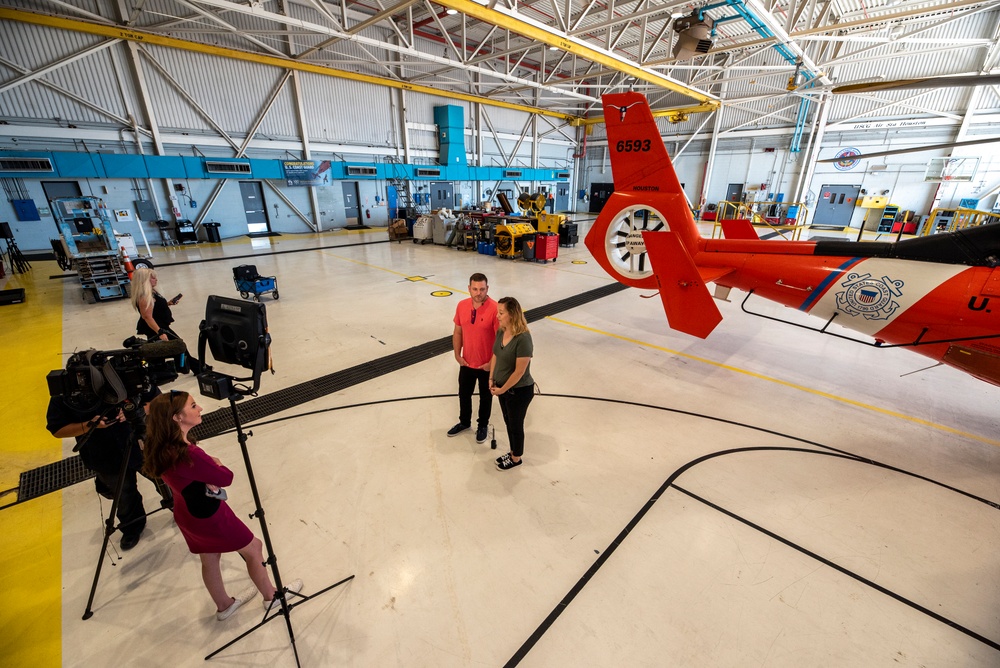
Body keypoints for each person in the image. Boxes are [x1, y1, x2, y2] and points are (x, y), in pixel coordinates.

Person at [143, 391, 301, 621]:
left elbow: (187, 476)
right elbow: (225, 477)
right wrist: (215, 463)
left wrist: (204, 472)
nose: (200, 409)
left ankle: (224, 605)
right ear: (177, 417)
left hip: (187, 513)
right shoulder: (190, 454)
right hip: (210, 516)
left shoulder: (159, 446)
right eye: (193, 406)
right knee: (254, 548)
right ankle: (272, 596)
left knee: (209, 558)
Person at [46, 389, 171, 550]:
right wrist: (89, 425)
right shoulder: (65, 392)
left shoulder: (119, 374)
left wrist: (135, 412)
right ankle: (132, 526)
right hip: (103, 455)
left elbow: (158, 400)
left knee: (166, 479)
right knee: (123, 494)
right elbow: (56, 429)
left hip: (141, 445)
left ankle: (182, 507)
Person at [448, 272, 499, 444]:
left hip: (486, 365)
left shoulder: (495, 309)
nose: (478, 293)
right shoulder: (461, 306)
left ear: (487, 289)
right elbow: (458, 331)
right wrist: (457, 354)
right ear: (469, 288)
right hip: (467, 363)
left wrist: (492, 363)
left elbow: (501, 341)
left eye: (482, 289)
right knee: (464, 394)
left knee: (486, 397)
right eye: (475, 289)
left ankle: (483, 425)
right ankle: (464, 422)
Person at [489, 297, 534, 471]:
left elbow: (519, 372)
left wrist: (502, 389)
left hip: (519, 391)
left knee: (515, 425)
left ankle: (516, 458)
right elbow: (495, 355)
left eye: (501, 313)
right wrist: (491, 378)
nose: (497, 316)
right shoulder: (502, 331)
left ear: (512, 314)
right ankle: (513, 450)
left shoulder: (523, 339)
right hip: (502, 388)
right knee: (508, 422)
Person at [130, 267, 200, 374]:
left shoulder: (152, 292)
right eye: (153, 278)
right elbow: (147, 316)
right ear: (145, 280)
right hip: (157, 328)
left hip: (160, 327)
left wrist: (167, 304)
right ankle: (197, 368)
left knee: (161, 352)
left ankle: (186, 367)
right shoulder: (144, 296)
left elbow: (154, 309)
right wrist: (160, 332)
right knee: (179, 346)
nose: (156, 279)